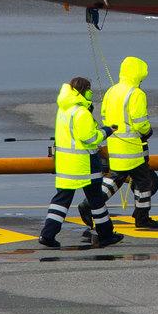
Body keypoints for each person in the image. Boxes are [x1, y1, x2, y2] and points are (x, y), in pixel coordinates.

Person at [40, 76, 121, 249]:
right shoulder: (81, 112)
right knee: (96, 200)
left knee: (61, 200)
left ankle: (47, 234)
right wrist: (107, 131)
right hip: (84, 164)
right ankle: (106, 235)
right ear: (85, 91)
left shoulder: (63, 110)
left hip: (65, 164)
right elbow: (90, 138)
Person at [99, 55, 158, 231]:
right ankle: (142, 218)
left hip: (115, 143)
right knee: (143, 181)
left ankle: (90, 203)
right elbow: (140, 121)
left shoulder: (111, 91)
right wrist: (147, 132)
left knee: (115, 178)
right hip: (133, 147)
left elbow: (104, 116)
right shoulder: (136, 93)